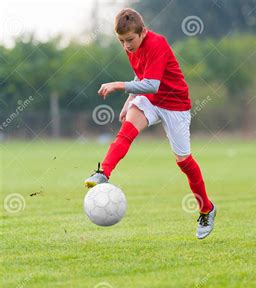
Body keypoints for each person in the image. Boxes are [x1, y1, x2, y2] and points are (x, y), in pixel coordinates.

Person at [84, 8, 216, 239]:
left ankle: (207, 208)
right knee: (126, 132)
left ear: (143, 32)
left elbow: (152, 84)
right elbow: (140, 76)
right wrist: (129, 102)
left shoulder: (157, 43)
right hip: (150, 101)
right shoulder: (131, 45)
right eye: (121, 41)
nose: (126, 46)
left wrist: (118, 85)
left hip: (175, 105)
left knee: (184, 161)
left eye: (130, 40)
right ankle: (103, 173)